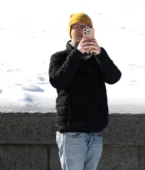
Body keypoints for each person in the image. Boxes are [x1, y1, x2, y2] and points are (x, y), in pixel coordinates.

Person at [49, 13, 122, 170]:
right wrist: (77, 54)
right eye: (76, 27)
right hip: (72, 132)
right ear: (70, 31)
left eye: (85, 27)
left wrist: (101, 54)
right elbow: (57, 80)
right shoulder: (59, 57)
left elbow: (114, 77)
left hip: (95, 132)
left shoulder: (97, 57)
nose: (81, 31)